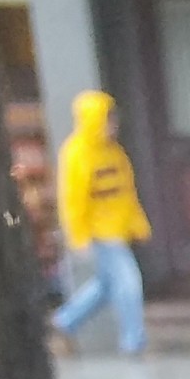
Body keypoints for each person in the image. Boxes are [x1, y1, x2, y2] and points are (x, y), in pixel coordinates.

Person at [52, 91, 149, 358]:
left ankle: (64, 322)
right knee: (129, 283)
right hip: (101, 233)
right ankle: (134, 343)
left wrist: (137, 223)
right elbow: (73, 199)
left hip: (117, 229)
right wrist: (79, 236)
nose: (114, 126)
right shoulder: (77, 153)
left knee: (106, 286)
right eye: (109, 120)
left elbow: (126, 191)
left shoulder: (114, 152)